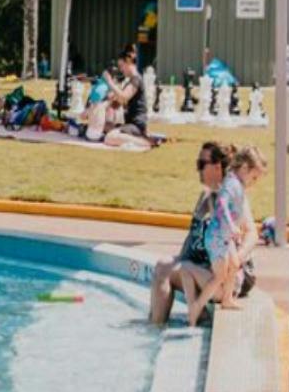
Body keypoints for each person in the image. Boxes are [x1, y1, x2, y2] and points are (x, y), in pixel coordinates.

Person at [147, 143, 227, 326]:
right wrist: (179, 261)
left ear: (217, 167)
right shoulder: (205, 196)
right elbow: (192, 237)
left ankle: (156, 327)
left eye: (202, 164)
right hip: (197, 268)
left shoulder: (224, 200)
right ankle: (154, 323)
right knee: (163, 266)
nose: (197, 169)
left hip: (214, 277)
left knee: (165, 269)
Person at [187, 147, 266, 325]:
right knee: (219, 276)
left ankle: (227, 299)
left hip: (224, 237)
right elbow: (222, 205)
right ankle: (196, 307)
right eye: (254, 177)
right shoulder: (232, 184)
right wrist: (232, 225)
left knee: (235, 265)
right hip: (216, 238)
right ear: (244, 168)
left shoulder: (235, 182)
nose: (254, 182)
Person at [85, 46, 154, 144]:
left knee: (110, 138)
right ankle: (135, 138)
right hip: (129, 125)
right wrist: (93, 108)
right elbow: (116, 103)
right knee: (102, 125)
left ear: (129, 62)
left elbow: (124, 96)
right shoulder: (129, 81)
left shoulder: (136, 79)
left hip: (136, 126)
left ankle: (145, 142)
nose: (120, 69)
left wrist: (109, 81)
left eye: (121, 66)